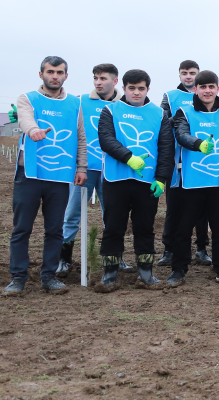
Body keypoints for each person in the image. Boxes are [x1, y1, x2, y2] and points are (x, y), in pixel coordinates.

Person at [3, 56, 87, 296]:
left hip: (59, 175)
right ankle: (18, 277)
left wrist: (81, 168)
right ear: (41, 74)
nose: (55, 76)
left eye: (59, 72)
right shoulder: (27, 98)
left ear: (66, 76)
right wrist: (33, 130)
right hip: (29, 173)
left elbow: (81, 137)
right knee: (22, 228)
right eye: (50, 71)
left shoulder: (75, 104)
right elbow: (25, 119)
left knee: (55, 229)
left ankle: (49, 276)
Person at [95, 69, 174, 291]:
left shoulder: (159, 114)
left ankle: (146, 274)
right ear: (125, 88)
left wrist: (161, 178)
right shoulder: (110, 110)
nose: (136, 92)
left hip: (147, 182)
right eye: (132, 88)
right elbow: (106, 139)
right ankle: (109, 274)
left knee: (145, 227)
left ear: (147, 89)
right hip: (115, 179)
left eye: (141, 88)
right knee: (113, 227)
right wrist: (128, 157)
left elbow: (166, 148)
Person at [167, 70, 219, 286]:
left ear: (217, 89)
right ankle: (178, 270)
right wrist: (198, 144)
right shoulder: (184, 112)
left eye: (211, 86)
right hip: (191, 181)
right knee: (183, 228)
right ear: (196, 89)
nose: (207, 90)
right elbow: (181, 135)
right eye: (203, 87)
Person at [57, 63, 126, 278]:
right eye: (95, 77)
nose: (98, 82)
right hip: (84, 169)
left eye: (103, 78)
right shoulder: (80, 102)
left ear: (115, 81)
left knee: (112, 216)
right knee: (71, 215)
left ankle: (115, 257)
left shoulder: (124, 106)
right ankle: (64, 259)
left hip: (112, 170)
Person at [158, 59, 211, 268]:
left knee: (202, 209)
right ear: (179, 75)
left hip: (201, 160)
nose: (188, 76)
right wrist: (181, 120)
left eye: (192, 73)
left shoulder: (208, 95)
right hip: (177, 159)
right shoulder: (170, 97)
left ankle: (202, 248)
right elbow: (162, 123)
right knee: (173, 207)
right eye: (184, 73)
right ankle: (169, 249)